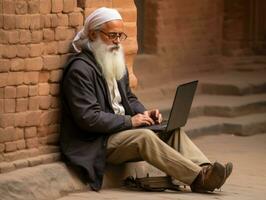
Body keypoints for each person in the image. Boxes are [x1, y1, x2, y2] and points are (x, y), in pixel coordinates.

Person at [60, 7, 232, 193]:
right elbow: (89, 118)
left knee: (171, 129)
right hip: (96, 141)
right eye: (112, 36)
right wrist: (130, 121)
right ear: (93, 35)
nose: (118, 42)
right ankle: (199, 178)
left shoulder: (113, 60)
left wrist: (143, 113)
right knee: (145, 137)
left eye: (120, 36)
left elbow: (129, 98)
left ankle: (207, 169)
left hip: (119, 131)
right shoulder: (80, 70)